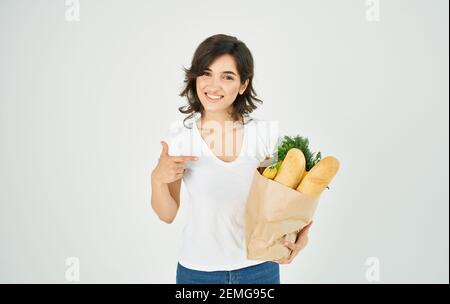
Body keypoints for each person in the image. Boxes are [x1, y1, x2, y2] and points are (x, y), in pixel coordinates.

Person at [151, 34, 312, 284]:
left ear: (243, 84)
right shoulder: (181, 139)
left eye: (227, 76)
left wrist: (301, 235)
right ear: (195, 78)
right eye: (206, 73)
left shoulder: (265, 136)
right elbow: (167, 214)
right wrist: (157, 180)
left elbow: (288, 200)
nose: (213, 86)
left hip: (260, 269)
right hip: (198, 273)